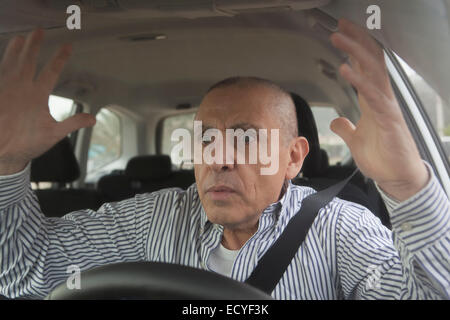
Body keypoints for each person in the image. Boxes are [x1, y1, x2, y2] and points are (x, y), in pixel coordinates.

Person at [0, 19, 448, 300]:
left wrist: (408, 187)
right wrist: (8, 162)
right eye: (206, 139)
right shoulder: (154, 218)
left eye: (247, 139)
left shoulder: (339, 228)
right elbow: (27, 274)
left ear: (293, 159)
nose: (219, 158)